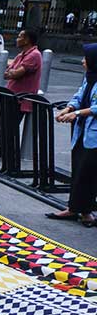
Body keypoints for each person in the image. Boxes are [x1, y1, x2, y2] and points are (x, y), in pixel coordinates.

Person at [48, 44, 97, 226]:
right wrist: (68, 108)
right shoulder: (89, 78)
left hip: (93, 135)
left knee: (88, 172)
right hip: (82, 131)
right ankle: (73, 208)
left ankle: (86, 212)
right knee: (77, 169)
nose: (83, 61)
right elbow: (79, 95)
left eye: (86, 58)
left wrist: (75, 114)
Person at [0, 29, 42, 164]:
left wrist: (12, 73)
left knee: (9, 126)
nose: (17, 38)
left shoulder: (34, 55)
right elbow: (7, 72)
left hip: (21, 98)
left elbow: (15, 74)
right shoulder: (22, 55)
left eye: (20, 36)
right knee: (2, 124)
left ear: (27, 40)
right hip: (10, 95)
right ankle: (1, 150)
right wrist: (12, 72)